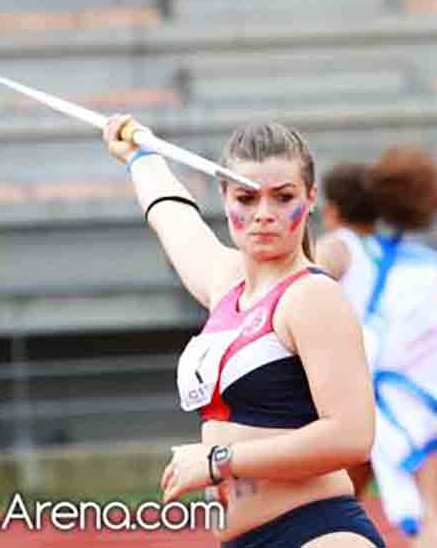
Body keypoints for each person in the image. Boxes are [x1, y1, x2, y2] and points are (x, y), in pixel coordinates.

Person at [103, 115, 385, 547]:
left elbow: (352, 436)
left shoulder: (311, 296)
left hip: (319, 533)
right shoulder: (227, 283)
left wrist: (219, 461)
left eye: (283, 197)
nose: (263, 215)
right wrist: (141, 157)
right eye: (246, 198)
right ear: (225, 198)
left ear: (311, 198)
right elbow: (173, 217)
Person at [316, 148, 437, 548]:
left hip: (363, 400)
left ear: (332, 210)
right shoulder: (419, 260)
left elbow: (308, 280)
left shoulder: (338, 245)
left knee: (331, 512)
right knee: (427, 515)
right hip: (418, 396)